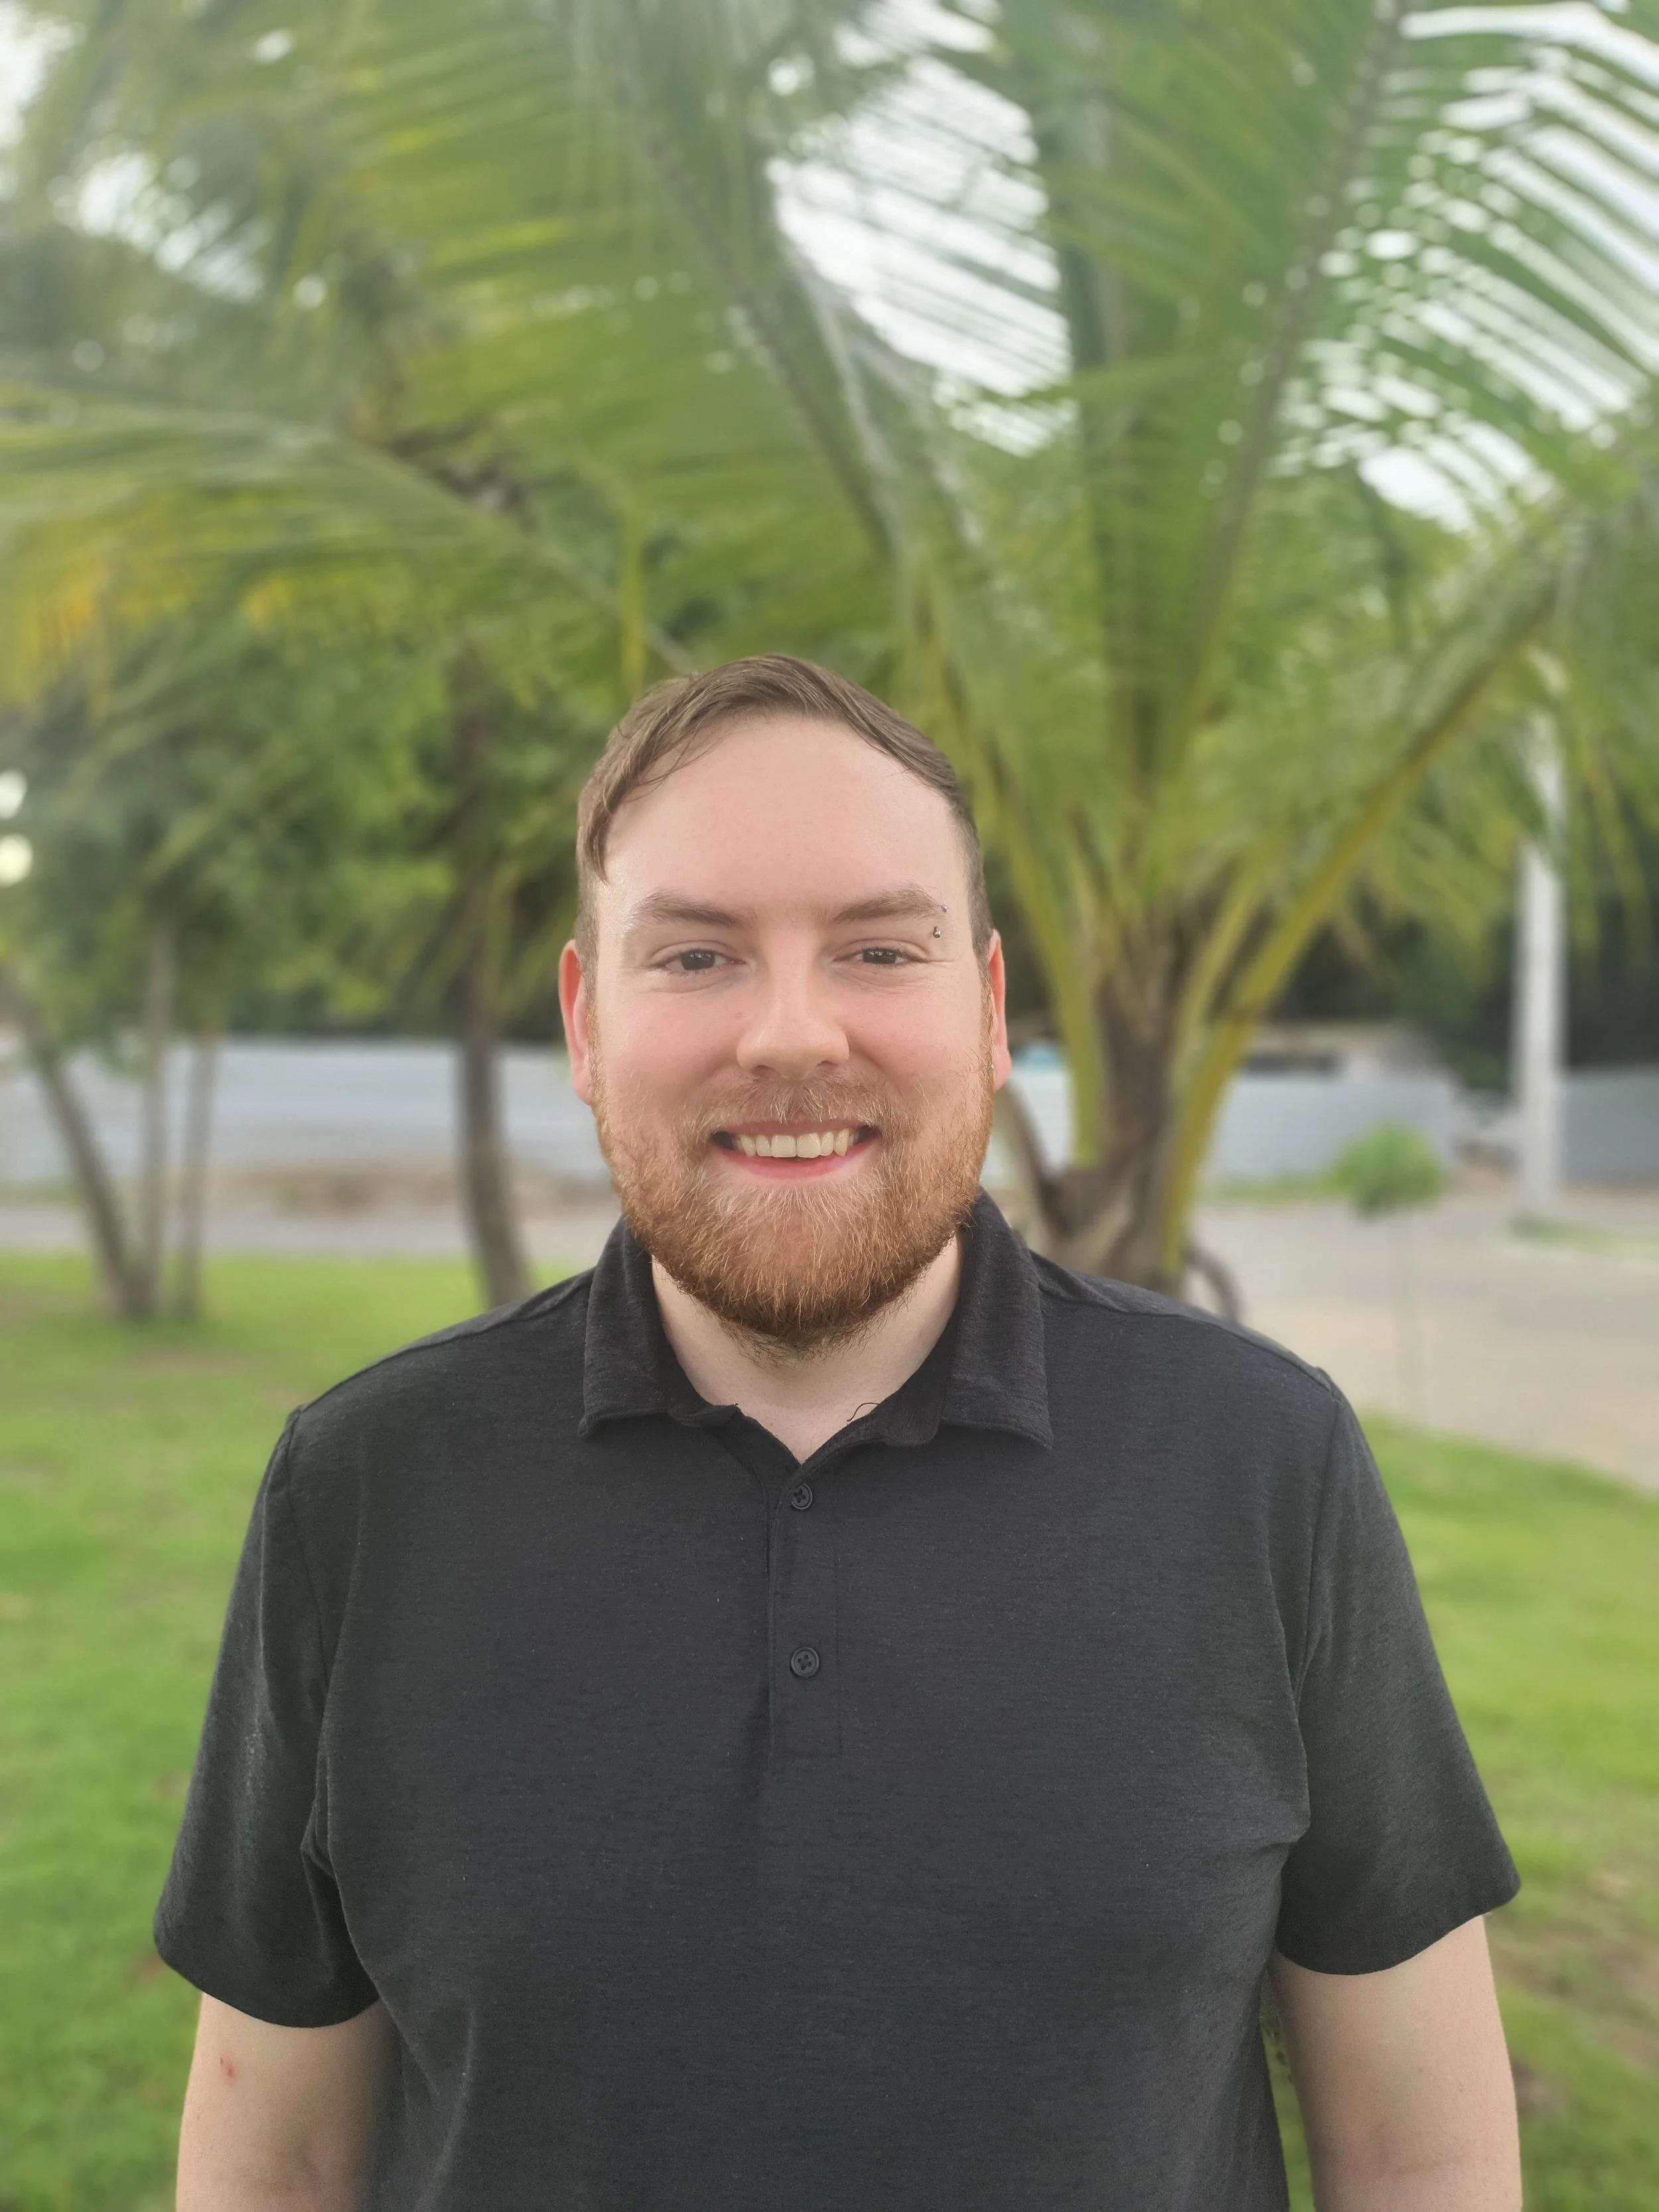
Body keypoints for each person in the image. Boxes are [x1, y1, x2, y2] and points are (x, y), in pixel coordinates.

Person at [157, 655, 1522, 2211]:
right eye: (696, 957)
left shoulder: (1262, 1463)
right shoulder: (365, 1488)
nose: (791, 1034)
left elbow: (1417, 2155)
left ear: (990, 1008)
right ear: (586, 1020)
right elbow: (277, 2159)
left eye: (878, 947)